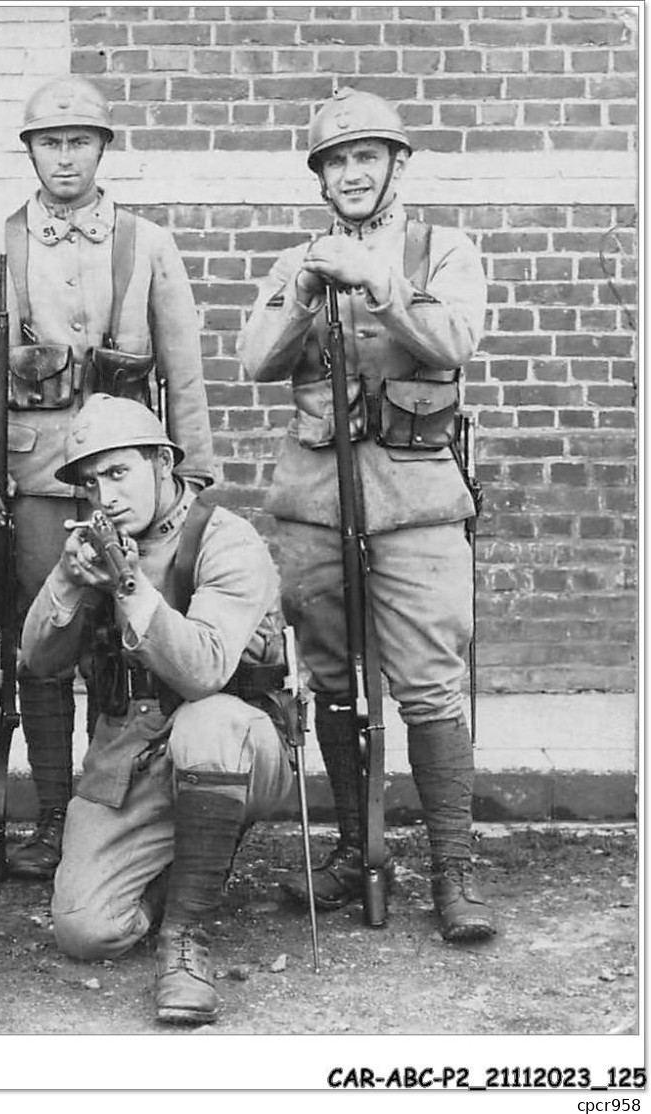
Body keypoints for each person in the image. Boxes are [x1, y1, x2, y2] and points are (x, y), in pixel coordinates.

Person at [0, 76, 216, 880]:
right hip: (31, 479)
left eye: (79, 141)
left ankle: (118, 806)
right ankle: (54, 816)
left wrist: (190, 472)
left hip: (128, 474)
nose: (65, 157)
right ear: (29, 151)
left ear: (102, 149)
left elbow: (182, 371)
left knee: (126, 642)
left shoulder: (148, 244)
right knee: (43, 647)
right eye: (50, 142)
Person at [238, 88, 494, 942]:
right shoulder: (295, 260)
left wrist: (377, 282)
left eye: (364, 158)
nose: (350, 173)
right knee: (334, 679)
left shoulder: (441, 250)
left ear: (395, 166)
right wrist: (309, 290)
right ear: (319, 178)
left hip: (417, 500)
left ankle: (451, 871)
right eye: (334, 162)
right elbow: (254, 359)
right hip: (315, 499)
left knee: (427, 681)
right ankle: (355, 848)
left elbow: (454, 339)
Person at [26, 395, 291, 1026]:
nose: (105, 496)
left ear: (163, 464)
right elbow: (38, 662)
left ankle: (185, 939)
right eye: (91, 484)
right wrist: (68, 579)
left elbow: (202, 672)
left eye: (119, 474)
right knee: (86, 931)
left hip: (238, 740)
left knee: (207, 727)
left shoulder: (224, 538)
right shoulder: (99, 543)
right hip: (133, 749)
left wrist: (128, 586)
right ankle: (182, 863)